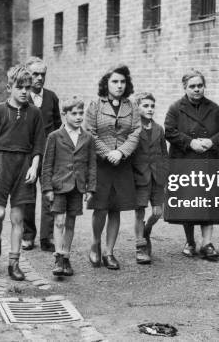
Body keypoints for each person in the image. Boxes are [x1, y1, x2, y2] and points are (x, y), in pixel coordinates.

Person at [0, 65, 45, 280]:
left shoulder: (35, 113)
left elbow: (39, 144)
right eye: (20, 87)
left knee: (18, 218)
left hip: (24, 166)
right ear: (10, 87)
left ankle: (14, 263)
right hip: (1, 165)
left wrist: (35, 166)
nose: (24, 91)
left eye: (28, 88)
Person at [164, 70, 219, 261]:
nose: (197, 89)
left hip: (207, 160)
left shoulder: (214, 109)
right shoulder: (176, 108)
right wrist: (190, 142)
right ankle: (190, 241)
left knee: (207, 201)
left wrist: (211, 142)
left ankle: (207, 243)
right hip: (184, 161)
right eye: (192, 86)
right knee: (189, 202)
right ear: (185, 88)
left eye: (199, 85)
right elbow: (169, 131)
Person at [85, 65, 140, 270]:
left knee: (116, 209)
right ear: (106, 84)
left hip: (122, 164)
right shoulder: (95, 105)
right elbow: (90, 132)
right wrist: (108, 153)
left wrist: (121, 152)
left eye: (122, 82)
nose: (119, 85)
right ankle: (95, 243)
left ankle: (109, 252)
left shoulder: (132, 106)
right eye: (114, 82)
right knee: (100, 208)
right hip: (102, 163)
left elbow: (136, 132)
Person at [41, 96, 96, 277]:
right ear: (65, 115)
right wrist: (47, 188)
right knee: (59, 221)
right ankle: (58, 257)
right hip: (58, 186)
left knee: (71, 222)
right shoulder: (54, 136)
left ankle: (66, 256)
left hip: (77, 187)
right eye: (74, 113)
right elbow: (47, 164)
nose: (79, 117)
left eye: (81, 113)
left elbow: (92, 165)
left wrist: (90, 188)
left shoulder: (87, 138)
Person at [22, 57, 62, 252]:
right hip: (27, 155)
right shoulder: (21, 98)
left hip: (48, 154)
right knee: (28, 196)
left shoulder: (52, 97)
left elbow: (57, 125)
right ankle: (28, 235)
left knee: (49, 194)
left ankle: (48, 237)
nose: (39, 78)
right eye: (34, 74)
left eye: (42, 74)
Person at [132, 92, 168, 265]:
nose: (150, 109)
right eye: (145, 106)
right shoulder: (133, 129)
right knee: (139, 212)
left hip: (157, 177)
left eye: (152, 106)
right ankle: (140, 247)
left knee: (157, 212)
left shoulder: (159, 129)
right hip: (139, 178)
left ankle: (146, 231)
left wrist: (166, 175)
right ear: (137, 108)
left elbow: (164, 154)